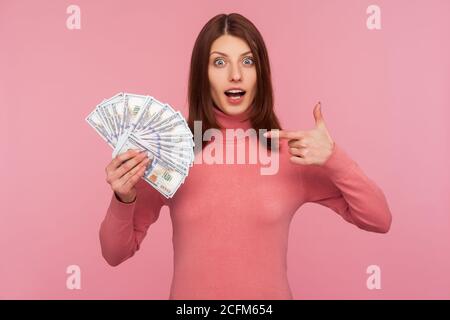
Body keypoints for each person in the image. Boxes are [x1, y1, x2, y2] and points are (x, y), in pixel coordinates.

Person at [99, 13, 392, 300]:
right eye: (219, 62)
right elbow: (114, 253)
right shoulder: (173, 153)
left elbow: (379, 219)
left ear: (260, 72)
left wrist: (335, 159)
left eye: (247, 61)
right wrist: (123, 198)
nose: (235, 74)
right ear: (203, 74)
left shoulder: (290, 153)